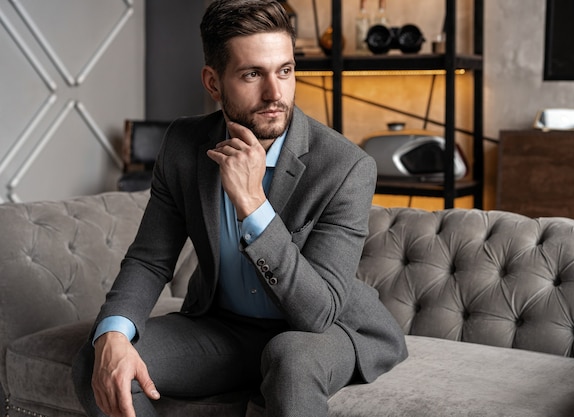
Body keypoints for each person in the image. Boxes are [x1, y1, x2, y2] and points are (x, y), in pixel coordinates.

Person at [72, 1, 407, 416]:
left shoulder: (344, 167)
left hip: (321, 330)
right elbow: (150, 260)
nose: (274, 93)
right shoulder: (183, 145)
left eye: (285, 71)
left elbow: (317, 313)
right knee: (100, 362)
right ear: (213, 83)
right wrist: (115, 334)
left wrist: (254, 205)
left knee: (291, 359)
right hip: (225, 328)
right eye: (253, 74)